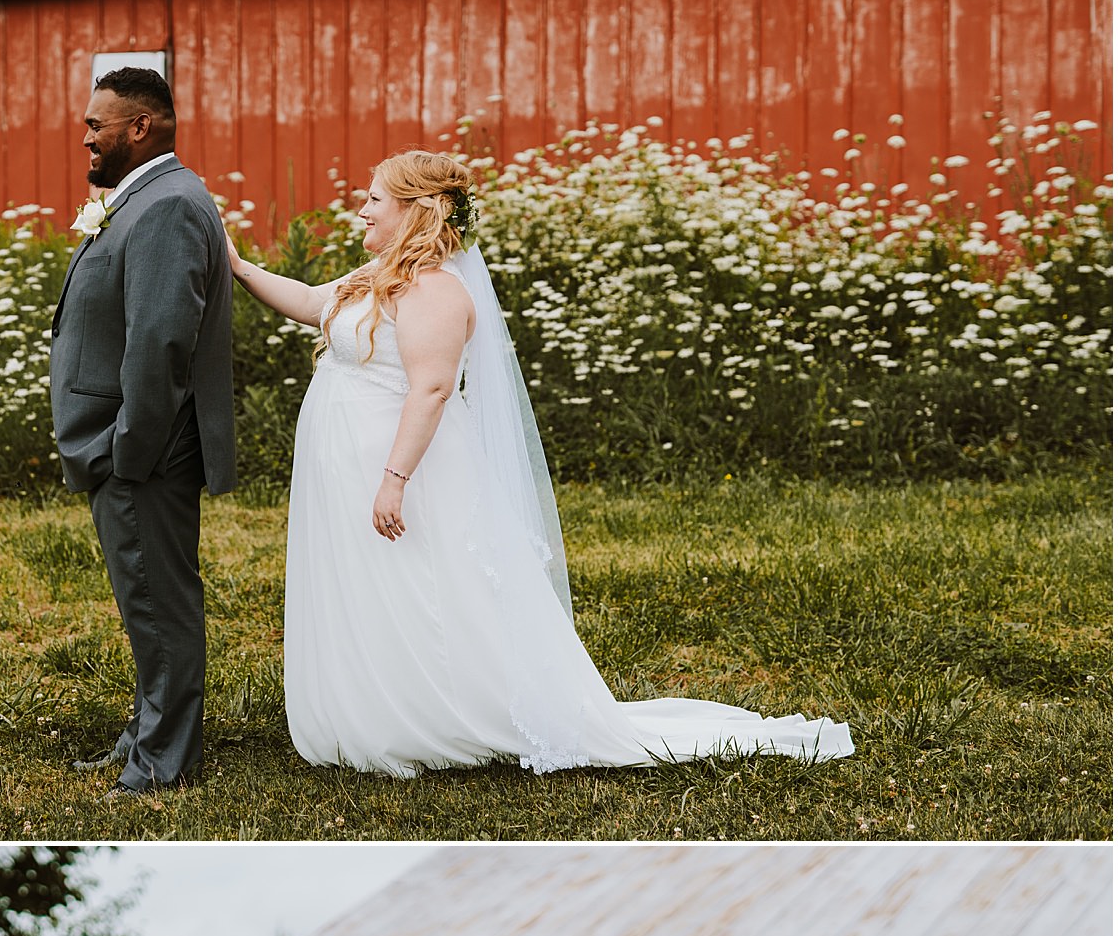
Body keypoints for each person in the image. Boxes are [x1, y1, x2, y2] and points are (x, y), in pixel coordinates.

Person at [228, 149, 854, 776]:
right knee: (366, 581)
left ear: (419, 210)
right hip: (347, 462)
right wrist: (236, 266)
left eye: (375, 199)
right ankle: (369, 705)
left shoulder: (437, 292)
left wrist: (394, 480)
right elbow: (313, 302)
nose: (361, 208)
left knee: (421, 584)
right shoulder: (378, 277)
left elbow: (432, 390)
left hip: (401, 465)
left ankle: (434, 713)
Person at [50, 68, 236, 795]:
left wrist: (128, 447)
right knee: (145, 600)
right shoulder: (145, 199)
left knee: (160, 604)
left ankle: (164, 761)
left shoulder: (166, 206)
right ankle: (147, 732)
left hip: (141, 448)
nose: (86, 135)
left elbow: (161, 339)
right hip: (127, 445)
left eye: (98, 124)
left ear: (140, 128)